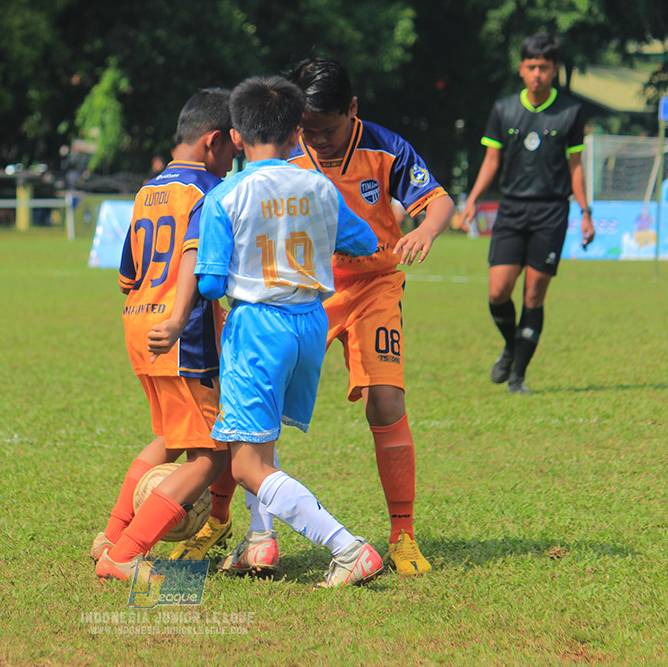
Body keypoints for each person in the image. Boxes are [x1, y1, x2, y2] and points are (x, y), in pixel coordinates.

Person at [239, 56, 453, 579]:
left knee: (386, 399)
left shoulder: (385, 147)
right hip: (302, 293)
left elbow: (439, 199)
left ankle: (402, 534)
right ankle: (242, 529)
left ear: (352, 110)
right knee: (251, 404)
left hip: (374, 287)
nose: (318, 141)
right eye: (307, 130)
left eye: (328, 129)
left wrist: (425, 229)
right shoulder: (284, 155)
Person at [194, 75, 382, 588]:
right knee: (259, 438)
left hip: (258, 325)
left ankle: (347, 548)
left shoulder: (226, 195)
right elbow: (363, 241)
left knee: (246, 465)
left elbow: (210, 284)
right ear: (297, 132)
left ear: (236, 136)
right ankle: (260, 541)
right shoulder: (319, 185)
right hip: (310, 323)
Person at [92, 88, 242, 581]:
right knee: (212, 456)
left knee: (170, 438)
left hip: (140, 323)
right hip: (183, 335)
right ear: (212, 141)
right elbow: (197, 262)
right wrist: (183, 317)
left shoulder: (147, 190)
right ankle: (126, 552)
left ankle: (112, 535)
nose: (233, 161)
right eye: (231, 151)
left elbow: (125, 275)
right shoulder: (210, 193)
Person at [460, 33, 594, 395]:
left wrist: (585, 211)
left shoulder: (570, 111)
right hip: (512, 208)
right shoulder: (504, 109)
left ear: (554, 70)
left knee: (534, 294)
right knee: (498, 291)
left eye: (544, 67)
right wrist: (472, 199)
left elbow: (577, 166)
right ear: (521, 69)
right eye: (531, 66)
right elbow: (492, 160)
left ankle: (517, 376)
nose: (537, 73)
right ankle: (510, 345)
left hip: (551, 211)